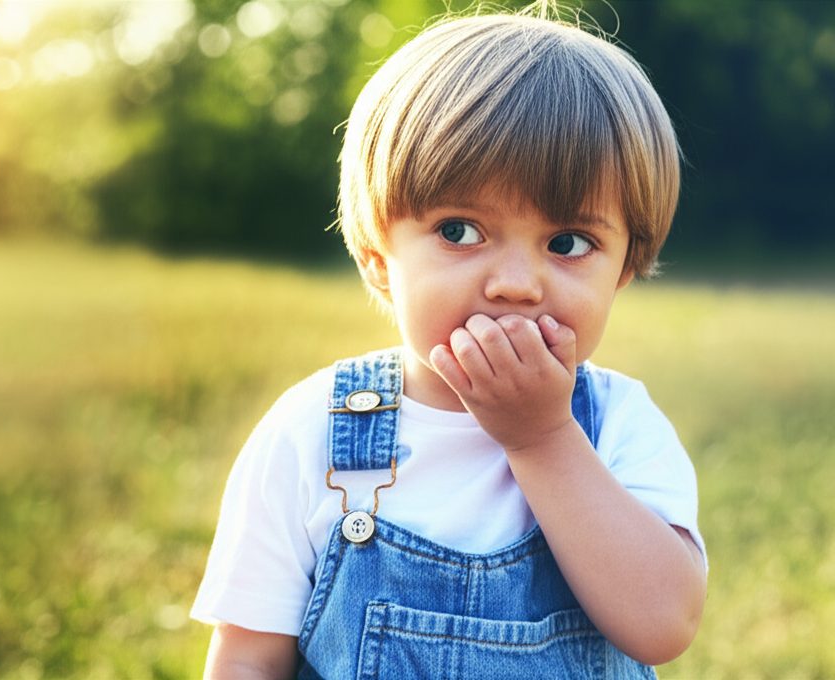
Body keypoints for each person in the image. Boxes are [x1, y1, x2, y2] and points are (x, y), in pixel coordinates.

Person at [192, 8, 707, 679]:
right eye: (460, 231)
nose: (516, 284)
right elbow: (248, 658)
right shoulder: (310, 432)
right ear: (378, 258)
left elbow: (663, 624)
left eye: (568, 243)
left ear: (624, 271)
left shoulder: (618, 426)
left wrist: (542, 438)